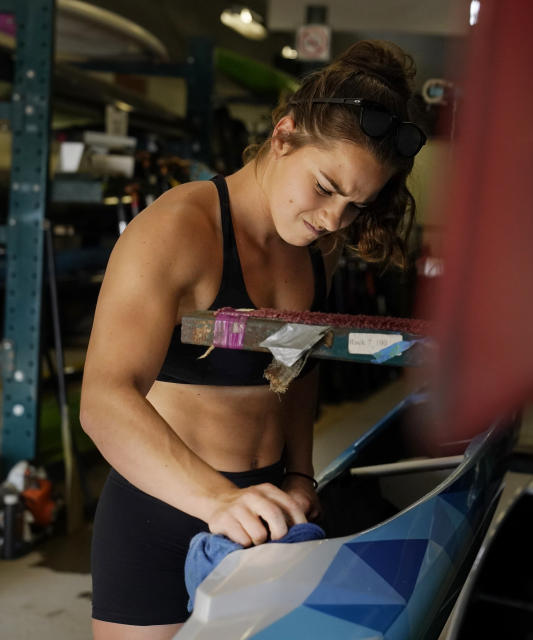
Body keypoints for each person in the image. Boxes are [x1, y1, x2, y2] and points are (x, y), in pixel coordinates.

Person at [81, 39, 426, 639]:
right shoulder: (176, 230)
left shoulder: (318, 248)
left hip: (267, 509)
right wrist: (217, 502)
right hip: (163, 508)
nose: (333, 219)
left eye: (355, 205)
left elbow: (298, 366)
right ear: (284, 133)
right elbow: (104, 400)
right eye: (324, 187)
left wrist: (300, 474)